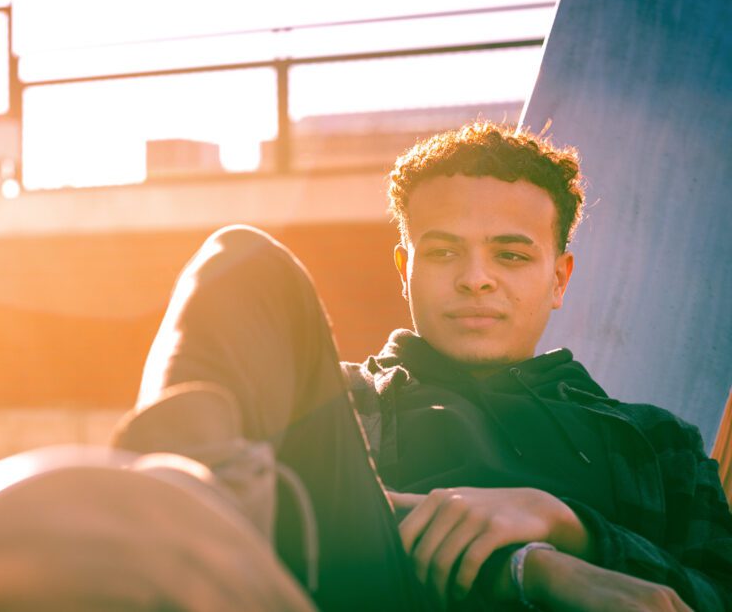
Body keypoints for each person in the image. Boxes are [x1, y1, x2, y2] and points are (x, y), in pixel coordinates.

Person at [117, 122, 732, 611]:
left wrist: (574, 527)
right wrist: (533, 568)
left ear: (559, 279)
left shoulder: (658, 444)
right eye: (442, 252)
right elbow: (286, 516)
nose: (475, 279)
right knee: (240, 260)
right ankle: (157, 533)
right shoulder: (340, 400)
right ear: (404, 269)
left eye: (511, 255)